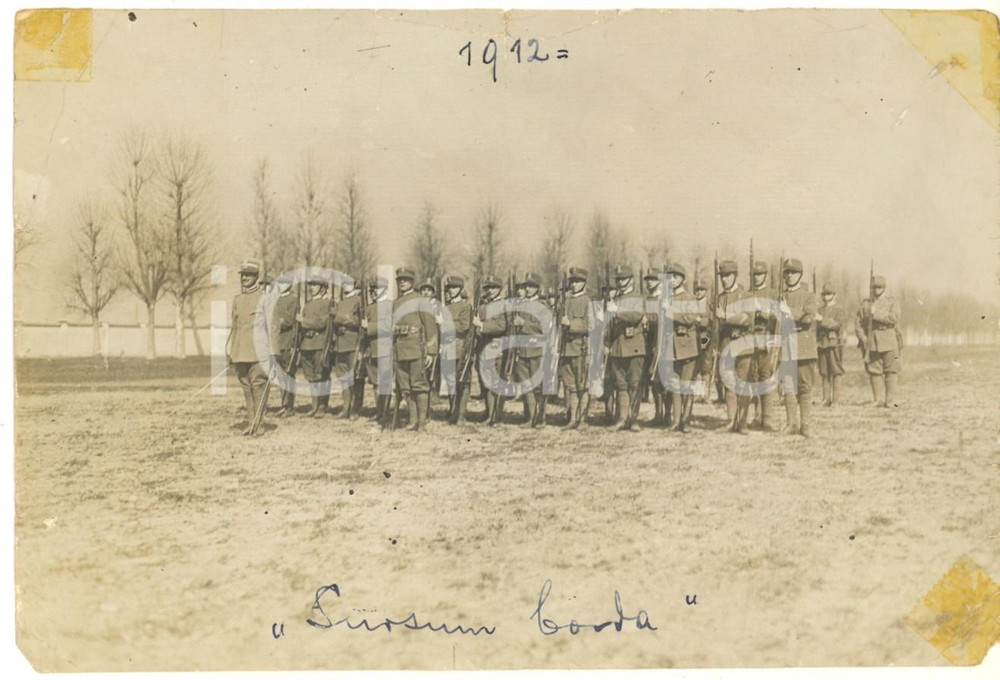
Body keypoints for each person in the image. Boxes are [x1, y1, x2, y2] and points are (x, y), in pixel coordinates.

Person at [778, 258, 819, 437]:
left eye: (793, 272)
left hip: (804, 346)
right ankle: (790, 424)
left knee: (804, 386)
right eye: (786, 273)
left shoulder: (809, 296)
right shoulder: (781, 296)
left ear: (800, 274)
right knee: (788, 386)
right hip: (786, 345)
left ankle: (806, 425)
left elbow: (809, 317)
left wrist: (789, 312)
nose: (789, 276)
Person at [392, 267, 438, 430]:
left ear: (412, 282)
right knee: (406, 387)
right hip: (399, 349)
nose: (402, 282)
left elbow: (430, 326)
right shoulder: (396, 303)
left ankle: (422, 422)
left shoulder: (420, 300)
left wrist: (431, 352)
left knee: (419, 385)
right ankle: (412, 420)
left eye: (405, 279)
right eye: (400, 280)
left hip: (416, 349)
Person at [227, 259, 268, 435]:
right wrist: (230, 351)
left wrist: (273, 353)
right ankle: (252, 422)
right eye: (242, 275)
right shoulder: (237, 300)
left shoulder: (265, 298)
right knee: (246, 387)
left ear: (256, 276)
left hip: (258, 352)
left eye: (248, 275)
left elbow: (273, 327)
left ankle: (258, 424)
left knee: (258, 385)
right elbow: (234, 328)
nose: (244, 278)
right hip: (240, 351)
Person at [606, 264, 647, 432]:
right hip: (617, 346)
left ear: (631, 280)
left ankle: (634, 419)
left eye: (624, 279)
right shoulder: (614, 299)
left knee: (635, 384)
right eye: (618, 279)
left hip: (634, 346)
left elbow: (635, 315)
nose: (621, 282)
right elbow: (609, 325)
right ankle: (622, 418)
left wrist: (616, 310)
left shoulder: (638, 297)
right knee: (621, 384)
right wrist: (606, 343)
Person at [715, 259, 753, 433]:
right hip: (726, 345)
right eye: (722, 276)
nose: (724, 279)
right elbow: (714, 327)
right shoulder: (719, 298)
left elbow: (747, 318)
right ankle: (731, 421)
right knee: (729, 385)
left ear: (735, 276)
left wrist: (726, 316)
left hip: (744, 346)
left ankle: (742, 422)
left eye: (727, 275)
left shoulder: (747, 296)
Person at [662, 263, 700, 432]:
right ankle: (676, 421)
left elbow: (690, 318)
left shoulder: (689, 297)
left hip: (687, 347)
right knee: (674, 386)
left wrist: (671, 312)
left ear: (682, 279)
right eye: (669, 277)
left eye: (675, 277)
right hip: (671, 347)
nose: (672, 280)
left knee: (685, 385)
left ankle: (686, 420)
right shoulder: (667, 298)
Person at [856, 275, 901, 408]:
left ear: (884, 288)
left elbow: (894, 318)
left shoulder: (892, 302)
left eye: (879, 287)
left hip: (889, 339)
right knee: (874, 371)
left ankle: (890, 400)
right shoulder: (865, 303)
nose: (876, 290)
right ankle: (877, 400)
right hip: (873, 341)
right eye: (874, 287)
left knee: (891, 370)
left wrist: (876, 314)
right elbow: (858, 322)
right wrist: (863, 338)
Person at [511, 271, 547, 427]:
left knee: (538, 386)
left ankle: (541, 418)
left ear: (537, 288)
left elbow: (544, 327)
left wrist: (523, 324)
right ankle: (531, 417)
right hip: (522, 350)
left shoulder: (542, 306)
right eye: (526, 286)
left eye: (532, 287)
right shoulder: (520, 305)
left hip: (536, 350)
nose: (528, 290)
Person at [749, 261, 780, 431]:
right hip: (751, 340)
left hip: (767, 340)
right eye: (754, 275)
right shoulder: (749, 294)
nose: (757, 278)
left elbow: (779, 318)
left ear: (766, 275)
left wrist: (766, 313)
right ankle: (757, 415)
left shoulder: (773, 294)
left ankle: (767, 419)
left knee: (765, 378)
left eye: (760, 274)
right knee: (754, 379)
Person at [472, 276, 508, 424]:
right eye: (488, 288)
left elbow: (501, 326)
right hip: (483, 347)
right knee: (485, 382)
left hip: (496, 347)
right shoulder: (483, 305)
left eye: (494, 287)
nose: (491, 291)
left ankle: (496, 415)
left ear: (500, 289)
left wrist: (481, 325)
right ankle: (489, 413)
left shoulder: (503, 305)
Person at [559, 267, 591, 429]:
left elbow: (589, 324)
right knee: (570, 386)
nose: (574, 285)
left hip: (581, 348)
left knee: (582, 385)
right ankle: (573, 418)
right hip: (566, 348)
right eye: (572, 281)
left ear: (584, 283)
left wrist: (570, 324)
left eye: (577, 281)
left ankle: (583, 419)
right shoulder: (565, 302)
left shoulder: (588, 301)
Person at [297, 272, 332, 417]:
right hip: (306, 344)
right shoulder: (307, 305)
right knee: (310, 377)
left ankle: (323, 406)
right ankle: (314, 406)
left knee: (322, 376)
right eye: (311, 285)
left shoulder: (327, 304)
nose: (312, 288)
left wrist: (303, 321)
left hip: (320, 344)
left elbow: (321, 323)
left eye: (315, 285)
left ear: (323, 288)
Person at [362, 276, 394, 427]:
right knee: (375, 383)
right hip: (371, 349)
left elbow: (388, 326)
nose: (373, 292)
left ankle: (385, 412)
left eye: (377, 289)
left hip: (385, 349)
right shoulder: (369, 308)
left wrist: (368, 327)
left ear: (385, 290)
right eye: (372, 289)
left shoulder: (390, 306)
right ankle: (379, 410)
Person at [331, 275, 364, 420]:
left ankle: (355, 409)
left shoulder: (358, 300)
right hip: (341, 343)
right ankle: (346, 407)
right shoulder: (341, 302)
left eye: (349, 283)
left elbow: (360, 322)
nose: (345, 286)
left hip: (353, 343)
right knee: (344, 378)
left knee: (355, 377)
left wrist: (341, 318)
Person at [443, 275, 473, 424]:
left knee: (463, 381)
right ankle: (453, 411)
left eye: (454, 287)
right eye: (449, 288)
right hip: (447, 349)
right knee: (450, 381)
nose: (450, 291)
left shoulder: (465, 307)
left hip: (461, 348)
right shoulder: (446, 307)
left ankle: (461, 414)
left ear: (460, 289)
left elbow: (463, 327)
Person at [270, 272, 300, 418]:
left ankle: (289, 406)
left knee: (289, 374)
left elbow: (288, 321)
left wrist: (273, 323)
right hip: (278, 342)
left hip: (288, 342)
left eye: (282, 283)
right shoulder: (277, 300)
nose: (279, 286)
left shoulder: (293, 299)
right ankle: (284, 405)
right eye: (279, 283)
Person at [642, 267, 666, 425]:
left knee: (664, 380)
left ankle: (668, 414)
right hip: (649, 343)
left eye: (653, 279)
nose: (649, 282)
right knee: (654, 380)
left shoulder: (663, 299)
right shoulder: (647, 299)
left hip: (663, 343)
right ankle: (658, 414)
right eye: (648, 279)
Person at [816, 282, 846, 406]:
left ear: (834, 295)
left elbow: (836, 324)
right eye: (824, 294)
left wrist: (822, 320)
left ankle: (836, 400)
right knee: (824, 372)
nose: (826, 296)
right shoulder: (819, 310)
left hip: (834, 343)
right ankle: (826, 399)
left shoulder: (839, 310)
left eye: (829, 294)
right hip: (821, 343)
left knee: (835, 371)